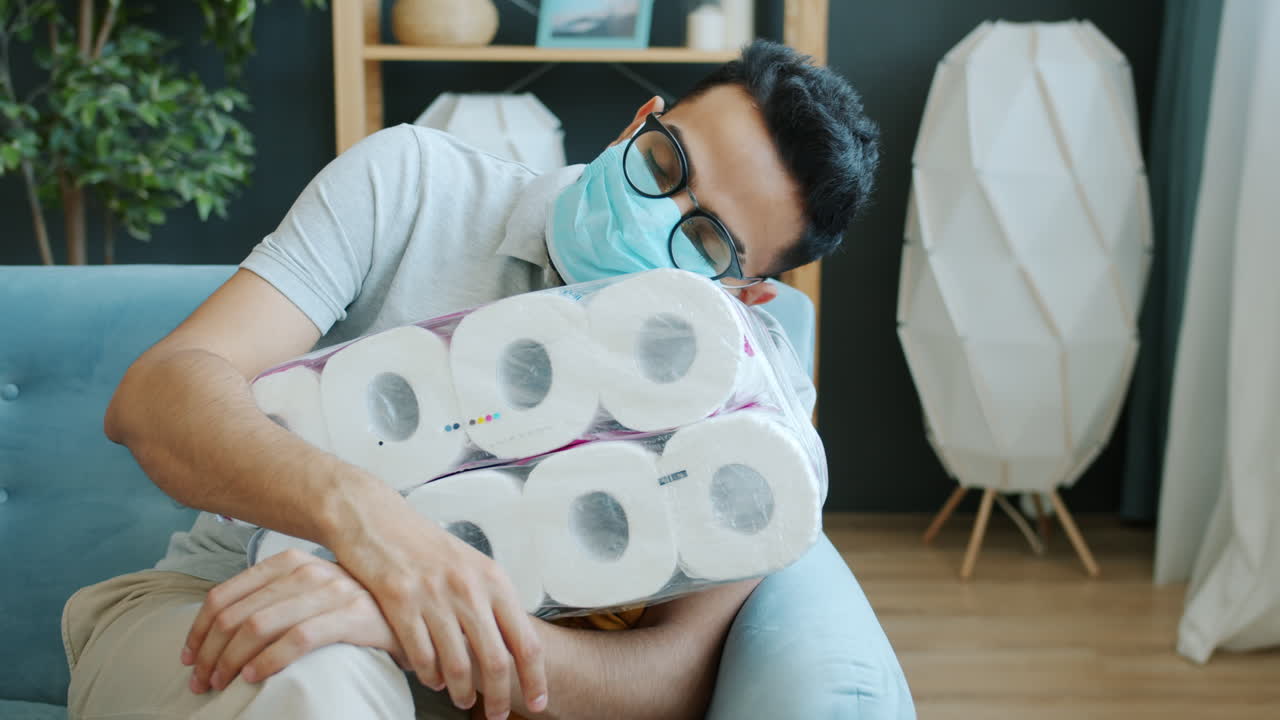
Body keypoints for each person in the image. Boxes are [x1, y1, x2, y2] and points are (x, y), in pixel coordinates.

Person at [62, 40, 893, 720]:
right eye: (666, 161)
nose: (658, 207)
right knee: (319, 680)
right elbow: (160, 393)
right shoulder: (415, 185)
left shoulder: (749, 405)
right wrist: (367, 524)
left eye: (707, 241)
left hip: (481, 695)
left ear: (745, 296)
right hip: (231, 609)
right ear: (638, 121)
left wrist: (398, 619)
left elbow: (669, 676)